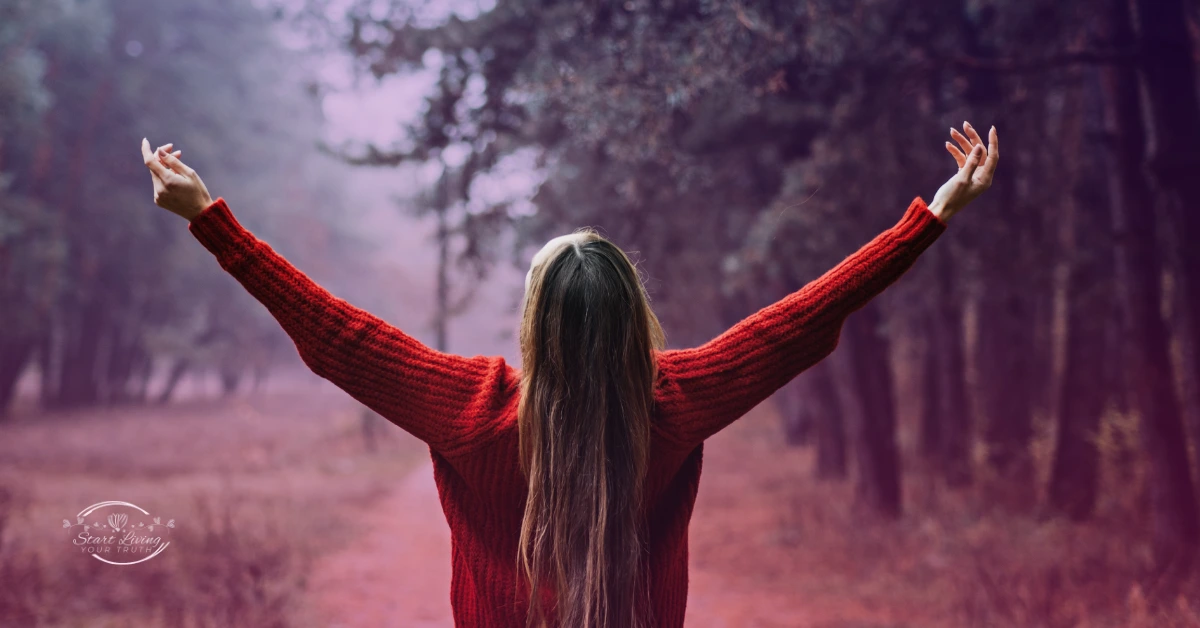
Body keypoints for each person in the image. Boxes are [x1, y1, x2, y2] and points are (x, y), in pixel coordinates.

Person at [139, 122, 998, 628]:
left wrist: (213, 221)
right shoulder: (672, 401)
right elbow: (804, 319)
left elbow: (336, 334)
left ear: (535, 325)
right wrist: (930, 219)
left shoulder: (471, 410)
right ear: (632, 319)